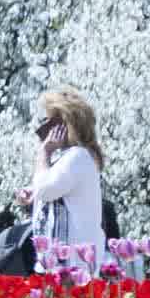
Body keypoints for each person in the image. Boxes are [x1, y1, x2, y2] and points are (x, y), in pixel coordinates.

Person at [28, 87, 109, 273]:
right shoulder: (71, 158)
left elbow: (46, 189)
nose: (42, 127)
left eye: (49, 120)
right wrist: (31, 192)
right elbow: (52, 188)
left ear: (65, 124)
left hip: (73, 264)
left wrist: (44, 152)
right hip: (64, 263)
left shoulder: (78, 157)